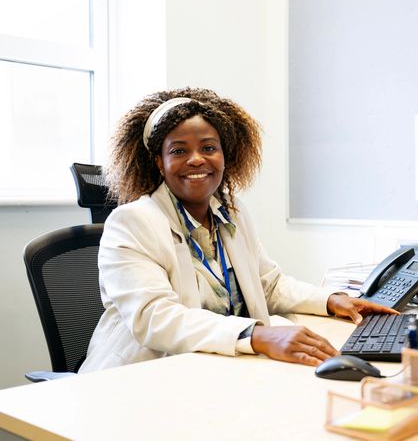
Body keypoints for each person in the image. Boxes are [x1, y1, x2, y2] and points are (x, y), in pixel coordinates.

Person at [79, 87, 396, 373]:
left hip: (218, 370)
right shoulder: (131, 223)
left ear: (224, 156)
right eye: (178, 151)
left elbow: (268, 285)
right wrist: (257, 335)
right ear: (159, 163)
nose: (196, 160)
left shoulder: (232, 212)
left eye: (208, 148)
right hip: (145, 379)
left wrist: (331, 300)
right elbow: (155, 318)